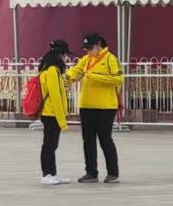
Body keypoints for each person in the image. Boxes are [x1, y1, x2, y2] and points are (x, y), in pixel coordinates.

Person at [67, 32, 124, 184]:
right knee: (88, 141)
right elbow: (76, 71)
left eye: (90, 48)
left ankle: (113, 173)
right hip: (87, 105)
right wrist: (67, 78)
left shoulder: (111, 59)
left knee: (105, 140)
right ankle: (91, 172)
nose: (87, 51)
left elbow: (119, 78)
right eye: (85, 49)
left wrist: (94, 76)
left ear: (98, 45)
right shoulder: (86, 59)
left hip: (105, 107)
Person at [37, 38, 71, 185]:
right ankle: (47, 174)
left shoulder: (52, 70)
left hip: (51, 113)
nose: (66, 58)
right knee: (49, 145)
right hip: (51, 114)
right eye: (65, 55)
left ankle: (52, 173)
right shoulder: (52, 71)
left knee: (52, 145)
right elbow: (55, 96)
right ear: (60, 55)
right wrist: (62, 120)